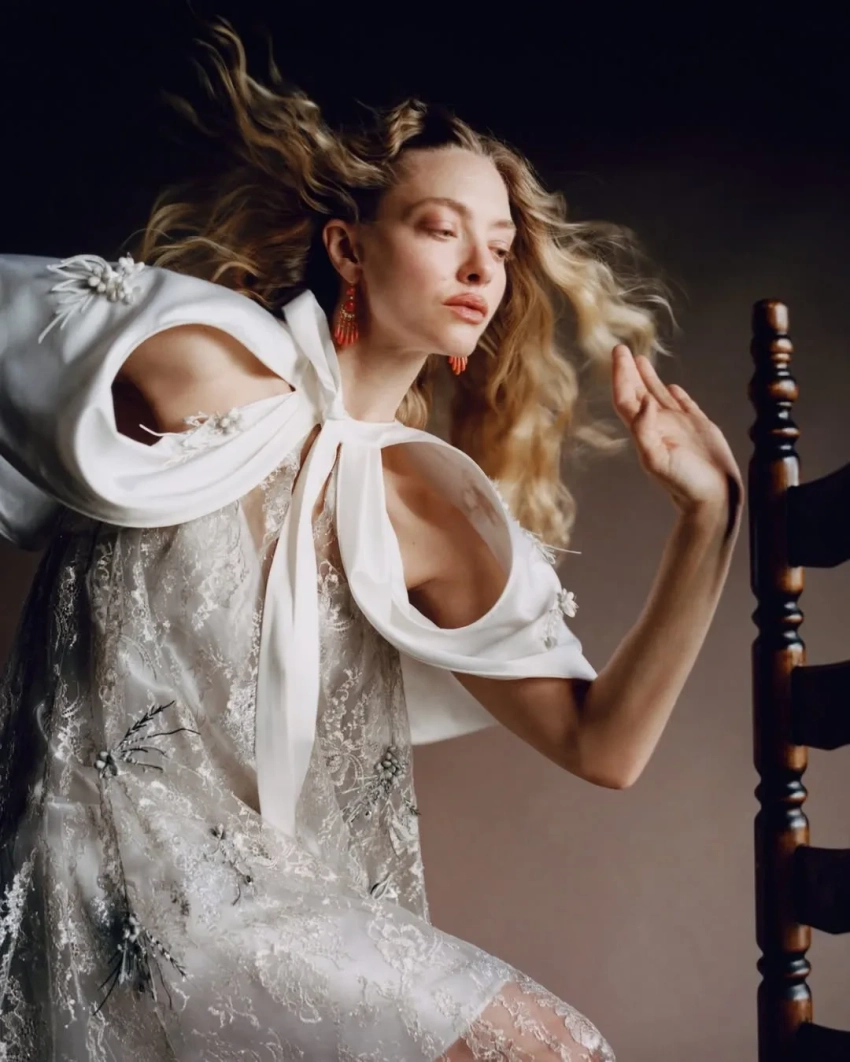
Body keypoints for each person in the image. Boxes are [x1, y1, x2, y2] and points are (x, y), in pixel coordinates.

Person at [0, 21, 743, 1061]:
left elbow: (603, 745)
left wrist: (709, 521)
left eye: (500, 249)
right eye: (443, 230)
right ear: (349, 246)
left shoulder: (423, 508)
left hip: (268, 908)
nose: (480, 268)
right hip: (92, 885)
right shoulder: (209, 363)